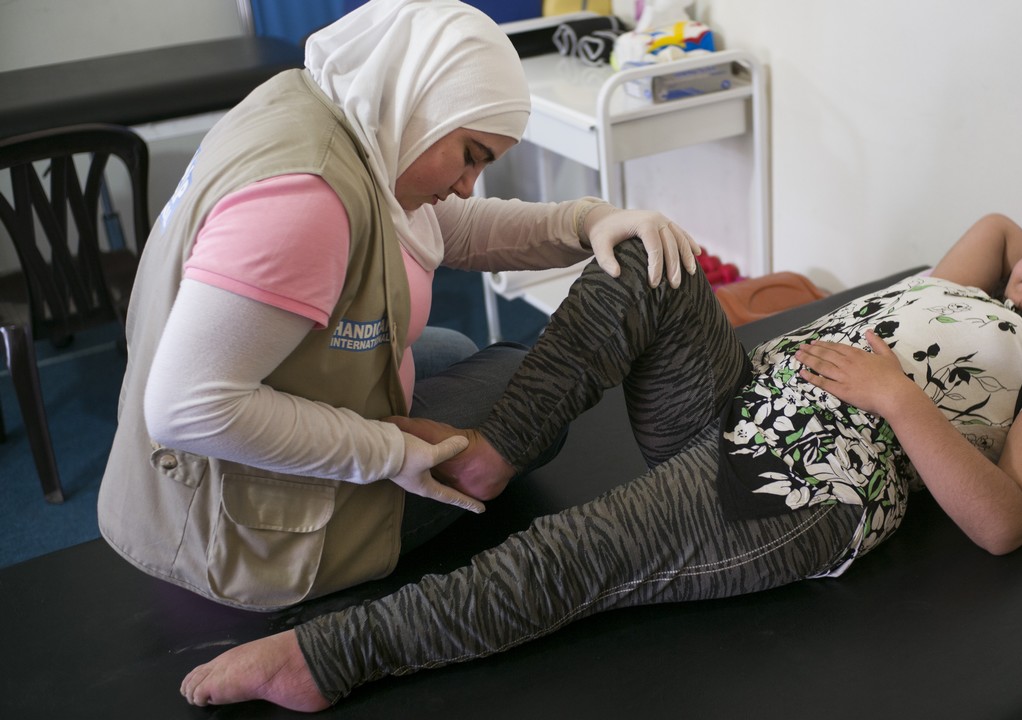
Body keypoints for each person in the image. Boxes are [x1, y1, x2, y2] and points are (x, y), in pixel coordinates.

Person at [179, 207, 1022, 710]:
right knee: (650, 257)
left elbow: (1002, 521)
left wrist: (898, 396)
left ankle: (328, 660)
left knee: (577, 547)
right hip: (737, 395)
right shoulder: (960, 290)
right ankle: (495, 453)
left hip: (806, 473)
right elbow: (995, 228)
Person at [96, 0, 703, 611]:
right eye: (471, 154)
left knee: (450, 349)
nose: (468, 183)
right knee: (523, 395)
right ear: (422, 102)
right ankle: (415, 495)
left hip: (186, 443)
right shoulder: (305, 199)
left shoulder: (330, 107)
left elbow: (455, 225)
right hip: (227, 529)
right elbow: (188, 410)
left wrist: (587, 219)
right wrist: (391, 454)